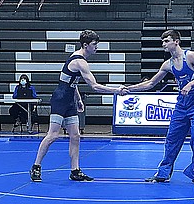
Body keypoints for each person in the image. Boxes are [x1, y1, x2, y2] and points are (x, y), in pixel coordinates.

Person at [30, 30, 125, 182]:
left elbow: (71, 82)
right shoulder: (80, 62)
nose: (97, 48)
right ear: (85, 45)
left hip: (69, 100)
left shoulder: (78, 58)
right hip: (60, 100)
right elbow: (94, 86)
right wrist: (116, 90)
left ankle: (75, 170)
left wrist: (78, 99)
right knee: (53, 135)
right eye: (94, 45)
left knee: (75, 136)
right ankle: (36, 166)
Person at [125, 29, 194, 184]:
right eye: (162, 41)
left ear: (176, 42)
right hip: (182, 103)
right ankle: (163, 173)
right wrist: (129, 89)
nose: (163, 44)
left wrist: (191, 83)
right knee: (171, 138)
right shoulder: (168, 64)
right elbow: (151, 83)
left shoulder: (190, 56)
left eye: (166, 41)